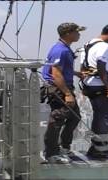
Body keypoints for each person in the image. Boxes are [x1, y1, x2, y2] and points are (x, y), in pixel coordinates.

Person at [41, 22, 86, 164]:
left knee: (75, 117)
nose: (79, 34)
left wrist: (75, 73)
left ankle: (63, 147)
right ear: (68, 33)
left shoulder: (63, 49)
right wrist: (67, 93)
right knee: (57, 120)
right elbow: (55, 73)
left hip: (61, 87)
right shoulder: (61, 50)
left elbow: (61, 68)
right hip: (58, 89)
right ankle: (51, 153)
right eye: (76, 31)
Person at [79, 22, 108, 160]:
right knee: (105, 118)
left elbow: (83, 67)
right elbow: (101, 67)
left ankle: (96, 148)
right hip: (101, 86)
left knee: (99, 116)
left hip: (90, 85)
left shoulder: (87, 45)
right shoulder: (105, 47)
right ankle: (101, 150)